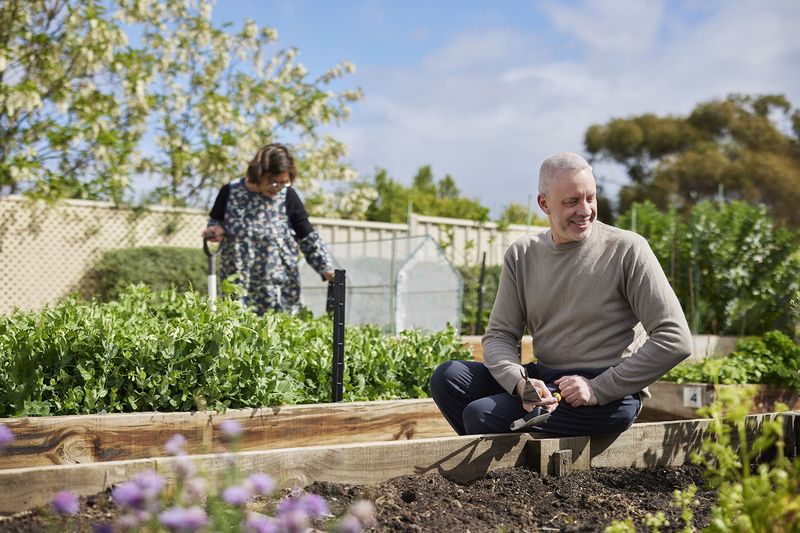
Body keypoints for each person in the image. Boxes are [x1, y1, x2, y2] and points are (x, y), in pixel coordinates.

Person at [430, 152, 692, 437]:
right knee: (449, 378)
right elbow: (500, 335)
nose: (585, 210)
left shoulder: (627, 250)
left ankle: (520, 469)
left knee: (481, 415)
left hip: (609, 395)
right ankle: (522, 457)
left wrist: (598, 388)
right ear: (544, 204)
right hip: (546, 382)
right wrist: (521, 385)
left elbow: (675, 338)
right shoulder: (523, 255)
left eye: (591, 198)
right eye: (572, 201)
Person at [202, 143, 335, 315]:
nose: (277, 188)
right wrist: (216, 230)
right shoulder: (230, 192)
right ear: (258, 174)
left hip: (279, 289)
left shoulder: (288, 196)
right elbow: (215, 221)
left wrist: (326, 269)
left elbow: (308, 237)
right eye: (272, 182)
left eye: (283, 182)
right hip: (239, 286)